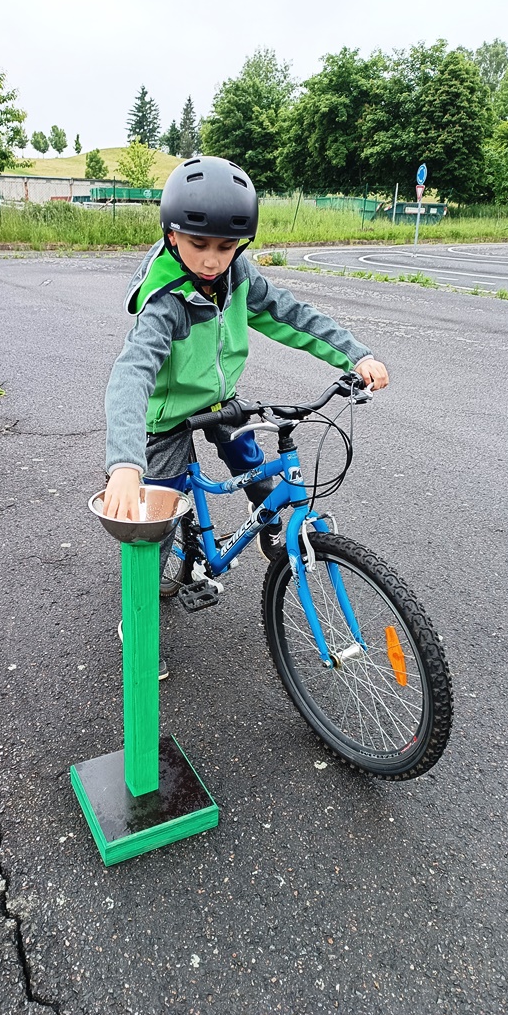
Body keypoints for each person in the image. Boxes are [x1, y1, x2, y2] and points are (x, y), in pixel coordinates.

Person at [103, 156, 389, 677]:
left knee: (251, 454)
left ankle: (269, 526)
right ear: (171, 235)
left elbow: (290, 314)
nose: (213, 260)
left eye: (227, 246)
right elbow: (131, 376)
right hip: (165, 417)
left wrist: (355, 354)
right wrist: (124, 464)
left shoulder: (236, 274)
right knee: (156, 523)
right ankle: (137, 619)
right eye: (199, 244)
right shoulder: (164, 302)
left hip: (217, 398)